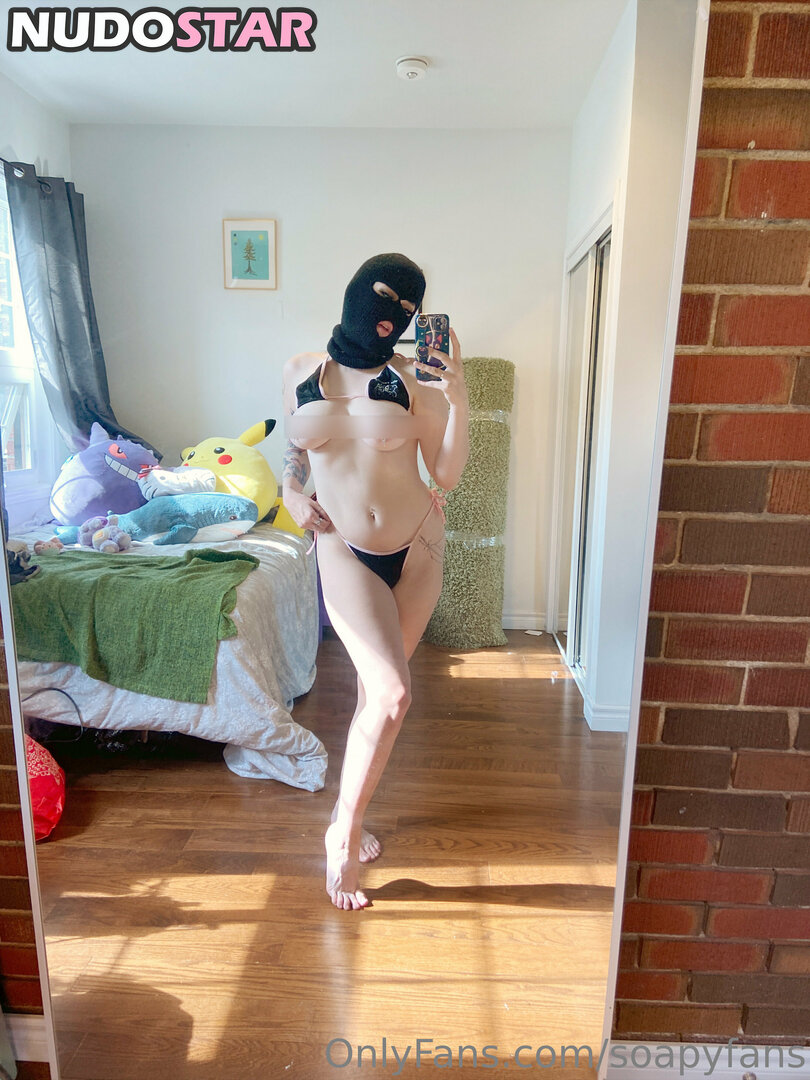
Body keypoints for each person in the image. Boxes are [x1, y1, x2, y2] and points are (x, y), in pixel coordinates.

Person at [281, 253, 469, 910]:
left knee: (377, 700)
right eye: (385, 296)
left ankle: (348, 812)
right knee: (392, 694)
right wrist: (291, 492)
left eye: (409, 309)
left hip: (416, 549)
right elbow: (296, 448)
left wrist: (458, 397)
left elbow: (446, 475)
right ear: (357, 291)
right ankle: (344, 830)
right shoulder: (301, 370)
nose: (393, 316)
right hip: (342, 548)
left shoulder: (414, 379)